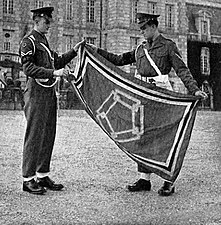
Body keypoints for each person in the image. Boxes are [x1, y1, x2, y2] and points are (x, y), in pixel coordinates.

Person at [88, 12, 208, 196]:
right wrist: (96, 50)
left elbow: (181, 69)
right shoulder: (139, 50)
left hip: (160, 95)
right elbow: (119, 60)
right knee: (142, 135)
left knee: (164, 135)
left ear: (153, 26)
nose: (142, 31)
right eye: (141, 28)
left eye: (144, 28)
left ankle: (169, 180)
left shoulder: (168, 46)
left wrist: (194, 90)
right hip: (142, 96)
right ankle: (144, 179)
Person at [19, 6, 84, 195]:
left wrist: (73, 51)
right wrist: (54, 73)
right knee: (34, 135)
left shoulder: (44, 42)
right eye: (47, 21)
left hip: (48, 93)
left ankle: (42, 174)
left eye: (50, 21)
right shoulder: (28, 41)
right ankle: (28, 178)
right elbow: (28, 68)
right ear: (37, 20)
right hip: (36, 93)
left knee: (48, 134)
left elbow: (57, 61)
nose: (49, 25)